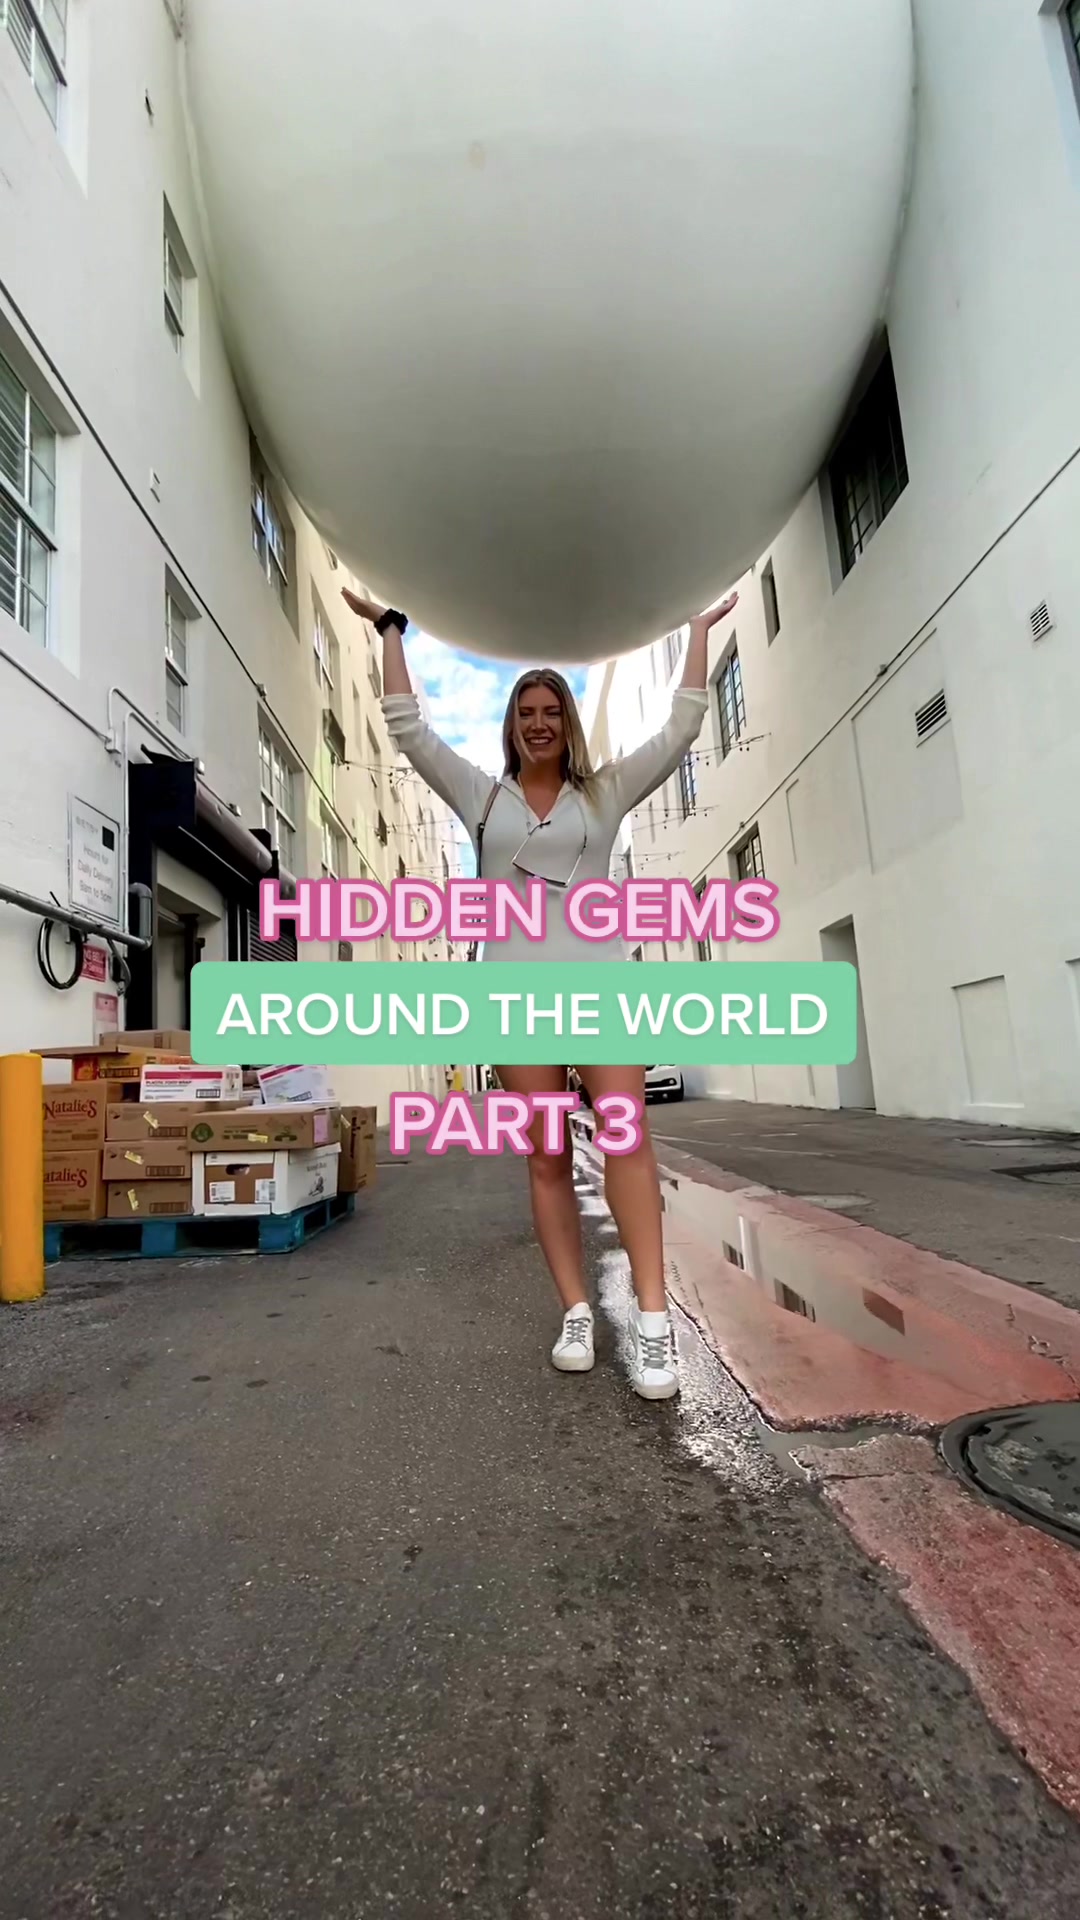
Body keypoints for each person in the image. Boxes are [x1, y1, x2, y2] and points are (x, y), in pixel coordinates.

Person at [342, 587, 737, 1400]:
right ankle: (576, 1313)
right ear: (511, 725)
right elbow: (408, 728)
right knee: (548, 1155)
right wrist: (389, 631)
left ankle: (653, 1322)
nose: (539, 722)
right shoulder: (482, 797)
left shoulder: (605, 794)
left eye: (552, 710)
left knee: (627, 1140)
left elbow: (681, 728)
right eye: (526, 711)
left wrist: (698, 630)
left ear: (568, 721)